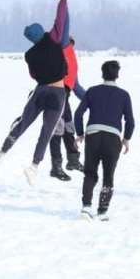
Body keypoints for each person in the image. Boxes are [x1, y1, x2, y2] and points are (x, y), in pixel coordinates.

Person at [0, 0, 70, 186]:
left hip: (40, 91)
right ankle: (33, 167)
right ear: (41, 31)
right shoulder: (53, 38)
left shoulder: (29, 54)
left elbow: (33, 75)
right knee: (46, 132)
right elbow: (60, 21)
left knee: (23, 124)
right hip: (57, 93)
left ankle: (2, 152)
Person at [74, 60, 134, 221]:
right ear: (117, 75)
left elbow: (78, 114)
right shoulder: (124, 95)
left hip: (93, 136)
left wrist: (80, 134)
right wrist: (126, 139)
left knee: (90, 174)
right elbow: (130, 121)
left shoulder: (92, 91)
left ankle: (86, 207)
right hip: (113, 138)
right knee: (108, 176)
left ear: (102, 74)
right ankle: (102, 211)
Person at [48, 36, 86, 181]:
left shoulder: (72, 61)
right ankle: (56, 167)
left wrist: (90, 99)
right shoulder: (56, 56)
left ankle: (73, 160)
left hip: (66, 97)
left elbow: (75, 85)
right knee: (57, 130)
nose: (71, 48)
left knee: (69, 128)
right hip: (54, 98)